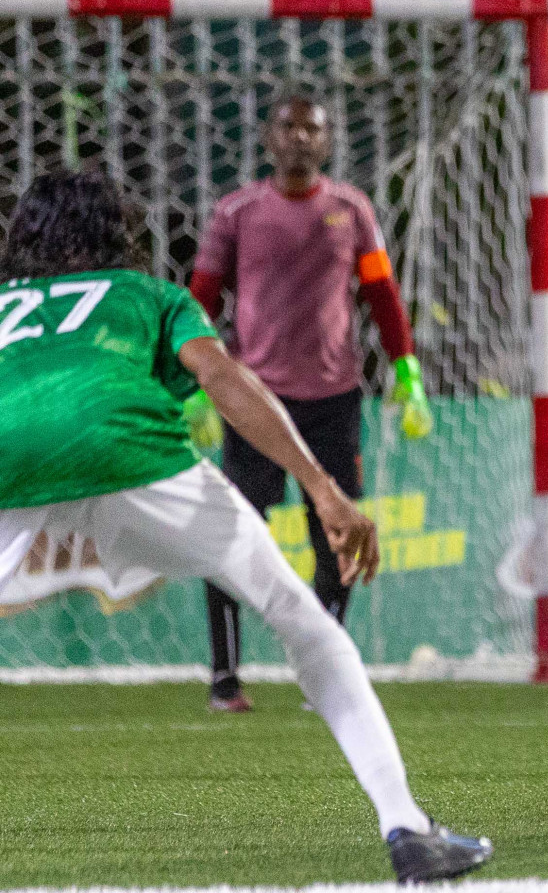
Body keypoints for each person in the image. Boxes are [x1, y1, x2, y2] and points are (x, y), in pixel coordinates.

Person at [0, 170, 490, 882]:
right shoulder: (148, 296)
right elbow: (224, 379)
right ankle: (407, 829)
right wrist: (324, 490)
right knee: (303, 620)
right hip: (135, 453)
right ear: (116, 231)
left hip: (11, 462)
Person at [185, 90, 432, 713]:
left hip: (333, 399)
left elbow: (381, 294)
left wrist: (406, 372)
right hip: (255, 401)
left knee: (337, 534)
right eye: (288, 127)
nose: (300, 137)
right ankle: (224, 678)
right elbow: (201, 300)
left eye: (312, 129)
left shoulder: (352, 209)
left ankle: (323, 678)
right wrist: (195, 385)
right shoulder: (236, 212)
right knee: (233, 533)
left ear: (328, 139)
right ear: (269, 137)